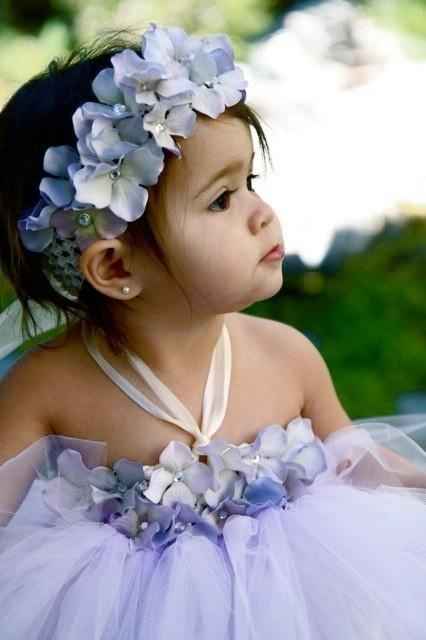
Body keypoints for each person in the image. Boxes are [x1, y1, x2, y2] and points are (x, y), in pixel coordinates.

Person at [0, 23, 426, 640]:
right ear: (116, 266)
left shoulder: (286, 356)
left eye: (250, 182)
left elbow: (351, 458)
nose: (261, 213)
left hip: (294, 599)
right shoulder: (50, 386)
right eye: (221, 199)